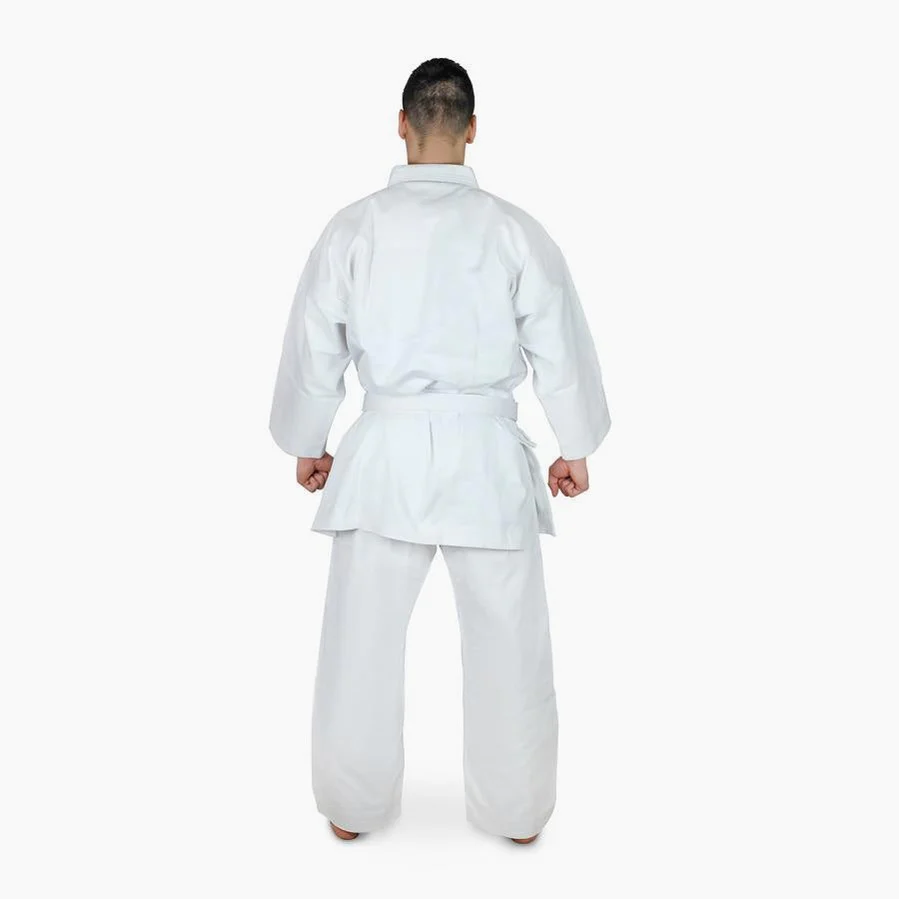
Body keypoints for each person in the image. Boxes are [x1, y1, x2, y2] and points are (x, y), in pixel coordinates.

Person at [269, 57, 611, 845]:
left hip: (382, 455)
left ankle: (352, 806)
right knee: (509, 644)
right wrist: (574, 446)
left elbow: (315, 343)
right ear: (472, 129)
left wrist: (308, 442)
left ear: (401, 124)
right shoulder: (513, 231)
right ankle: (517, 812)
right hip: (484, 457)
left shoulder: (354, 228)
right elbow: (559, 343)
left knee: (360, 642)